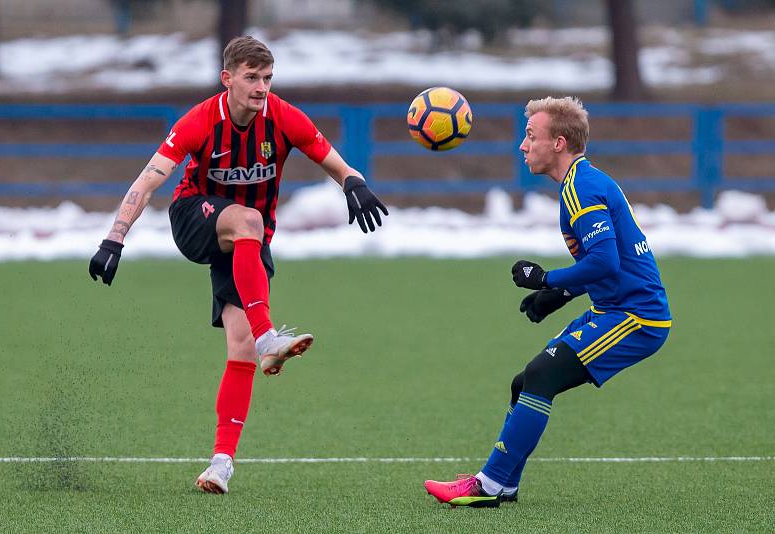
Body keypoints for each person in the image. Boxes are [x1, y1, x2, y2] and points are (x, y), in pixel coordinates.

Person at [88, 36, 388, 494]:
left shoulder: (282, 117)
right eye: (251, 77)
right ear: (227, 79)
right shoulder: (201, 120)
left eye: (267, 78)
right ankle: (271, 334)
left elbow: (332, 159)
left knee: (241, 345)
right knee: (247, 222)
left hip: (249, 240)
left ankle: (221, 463)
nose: (261, 87)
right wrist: (114, 238)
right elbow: (148, 179)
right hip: (195, 216)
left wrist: (354, 183)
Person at [424, 96, 671, 507]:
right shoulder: (581, 182)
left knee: (541, 377)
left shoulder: (582, 188)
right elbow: (611, 263)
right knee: (525, 384)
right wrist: (559, 294)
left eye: (530, 135)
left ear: (558, 143)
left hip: (636, 317)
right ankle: (505, 483)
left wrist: (546, 278)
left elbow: (606, 261)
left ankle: (488, 485)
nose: (523, 145)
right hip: (612, 308)